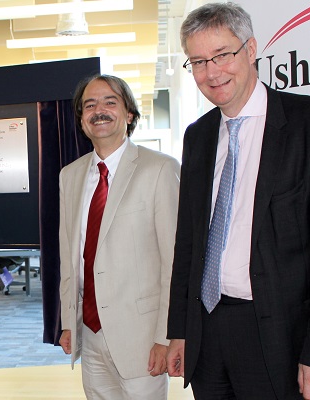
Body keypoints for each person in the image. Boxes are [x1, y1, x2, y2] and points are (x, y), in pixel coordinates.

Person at [164, 3, 310, 400]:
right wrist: (180, 330)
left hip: (282, 337)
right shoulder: (197, 137)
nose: (212, 72)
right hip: (208, 335)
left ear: (251, 49)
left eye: (222, 55)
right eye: (198, 61)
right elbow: (188, 244)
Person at [58, 74, 180, 399]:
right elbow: (69, 257)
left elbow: (175, 262)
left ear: (128, 114)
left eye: (110, 102)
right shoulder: (69, 177)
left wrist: (166, 336)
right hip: (90, 332)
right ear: (82, 119)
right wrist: (68, 321)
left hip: (141, 338)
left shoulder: (160, 170)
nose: (99, 110)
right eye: (90, 105)